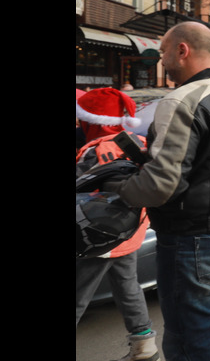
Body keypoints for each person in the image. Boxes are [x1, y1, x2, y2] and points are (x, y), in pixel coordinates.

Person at [109, 21, 210, 361]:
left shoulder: (180, 100)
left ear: (182, 50)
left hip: (194, 237)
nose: (161, 60)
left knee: (187, 336)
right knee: (205, 308)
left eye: (163, 51)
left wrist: (116, 189)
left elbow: (162, 184)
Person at [75, 88, 159, 361]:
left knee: (78, 293)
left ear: (90, 120)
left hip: (97, 235)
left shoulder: (93, 151)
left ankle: (143, 344)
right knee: (127, 285)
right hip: (131, 230)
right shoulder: (137, 141)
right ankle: (143, 344)